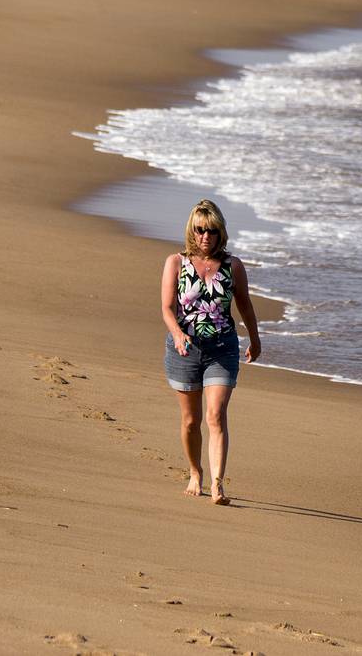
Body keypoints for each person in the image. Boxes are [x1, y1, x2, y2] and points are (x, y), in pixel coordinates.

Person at [160, 199, 261, 505]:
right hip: (185, 348)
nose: (206, 236)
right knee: (191, 421)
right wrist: (178, 334)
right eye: (200, 229)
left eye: (212, 230)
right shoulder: (175, 262)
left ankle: (218, 484)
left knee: (216, 415)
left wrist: (255, 340)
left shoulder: (233, 266)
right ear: (192, 230)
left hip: (222, 348)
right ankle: (195, 472)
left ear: (220, 233)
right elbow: (167, 308)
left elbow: (244, 304)